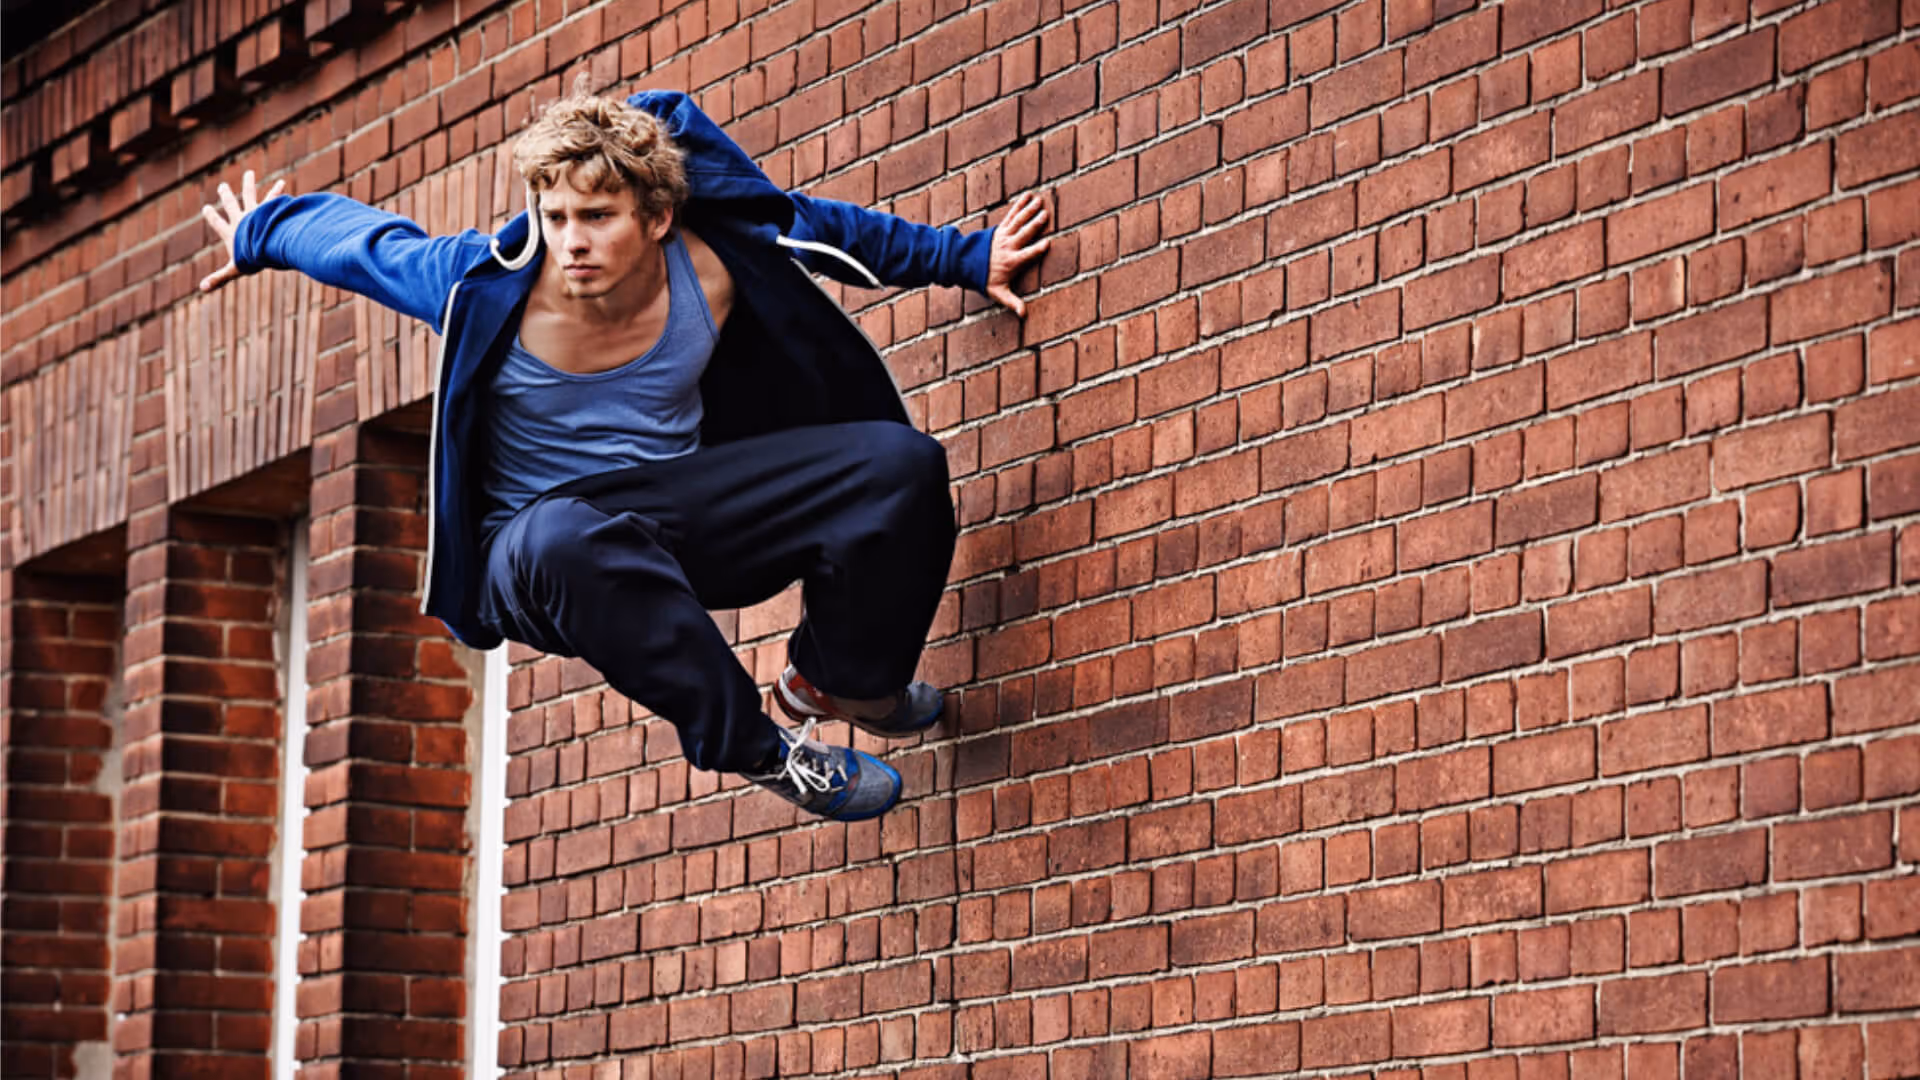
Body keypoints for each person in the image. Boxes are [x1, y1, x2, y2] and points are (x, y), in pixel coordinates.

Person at [198, 82, 1051, 822]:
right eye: (556, 216)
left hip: (676, 515)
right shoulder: (484, 283)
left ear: (657, 217)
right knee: (566, 533)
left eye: (597, 218)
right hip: (534, 550)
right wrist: (260, 232)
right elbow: (364, 247)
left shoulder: (715, 259)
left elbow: (828, 230)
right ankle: (765, 751)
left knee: (899, 467)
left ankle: (843, 679)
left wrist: (967, 258)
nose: (571, 243)